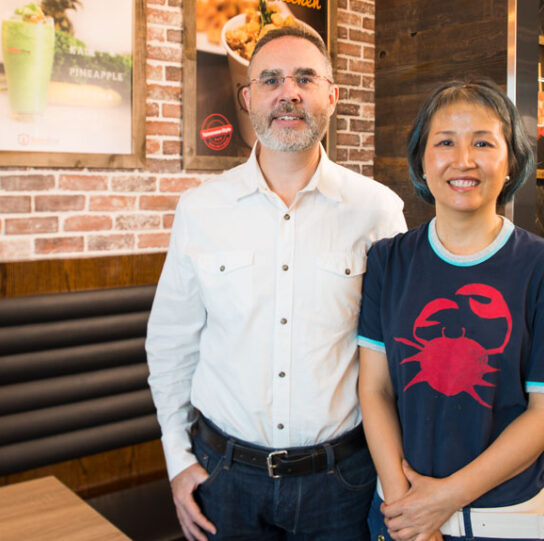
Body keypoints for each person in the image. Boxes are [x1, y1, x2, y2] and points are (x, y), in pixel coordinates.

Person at [145, 26, 407, 540]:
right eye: (270, 80)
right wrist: (177, 459)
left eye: (305, 78)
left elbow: (406, 347)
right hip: (224, 479)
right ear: (248, 99)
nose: (288, 92)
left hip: (343, 481)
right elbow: (171, 345)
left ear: (331, 96)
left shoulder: (376, 209)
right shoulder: (201, 210)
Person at [357, 79, 544, 541]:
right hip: (398, 515)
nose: (463, 160)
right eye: (444, 142)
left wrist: (443, 499)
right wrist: (407, 510)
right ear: (422, 160)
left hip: (503, 518)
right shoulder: (387, 260)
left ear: (511, 160)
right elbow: (374, 389)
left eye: (483, 142)